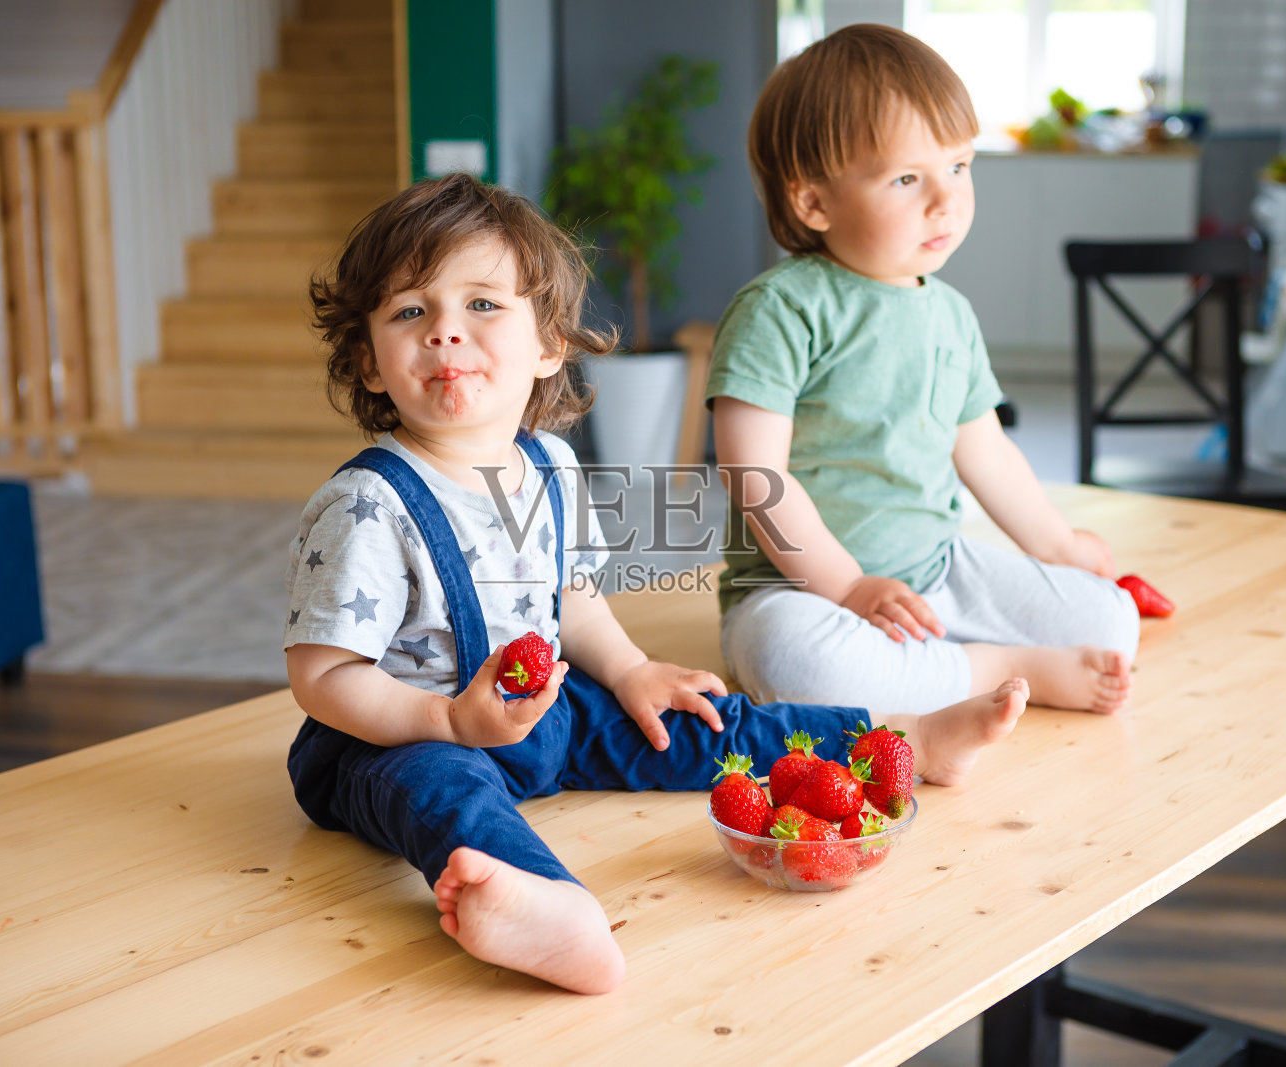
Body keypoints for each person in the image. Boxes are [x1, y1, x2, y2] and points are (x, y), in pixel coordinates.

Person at [282, 173, 1030, 995]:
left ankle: (896, 738)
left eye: (483, 306)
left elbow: (571, 600)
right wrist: (448, 719)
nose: (446, 334)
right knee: (445, 791)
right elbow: (322, 678)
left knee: (693, 718)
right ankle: (549, 905)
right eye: (410, 312)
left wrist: (634, 668)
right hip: (393, 739)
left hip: (540, 717)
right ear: (370, 361)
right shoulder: (369, 504)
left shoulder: (551, 466)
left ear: (548, 343)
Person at [707, 25, 1140, 749]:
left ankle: (932, 670)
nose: (947, 199)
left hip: (935, 568)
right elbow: (754, 475)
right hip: (802, 591)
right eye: (907, 178)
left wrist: (1059, 544)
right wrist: (848, 588)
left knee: (1111, 621)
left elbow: (988, 453)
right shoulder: (782, 307)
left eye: (960, 166)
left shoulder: (950, 313)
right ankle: (1000, 666)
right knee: (794, 660)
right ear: (814, 202)